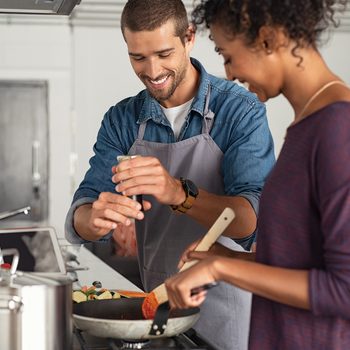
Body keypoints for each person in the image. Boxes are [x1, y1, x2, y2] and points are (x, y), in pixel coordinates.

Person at [65, 0, 275, 349]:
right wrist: (95, 218)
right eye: (138, 57)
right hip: (159, 307)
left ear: (189, 37)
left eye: (163, 53)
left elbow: (251, 220)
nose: (152, 70)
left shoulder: (240, 110)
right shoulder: (122, 120)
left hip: (231, 312)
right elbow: (81, 215)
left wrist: (177, 193)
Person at [164, 0, 350, 349]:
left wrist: (222, 271)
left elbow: (344, 290)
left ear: (266, 40)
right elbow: (302, 261)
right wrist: (230, 257)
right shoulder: (307, 125)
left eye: (228, 55)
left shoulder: (338, 129)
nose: (229, 73)